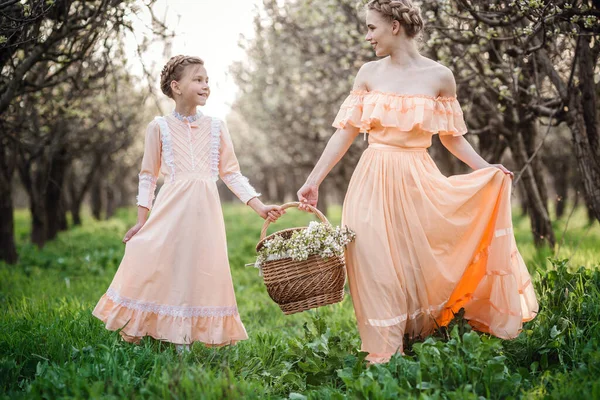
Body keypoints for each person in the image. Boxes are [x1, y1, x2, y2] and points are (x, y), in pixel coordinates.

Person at [297, 0, 538, 364]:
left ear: (395, 26)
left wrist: (485, 167)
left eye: (371, 28)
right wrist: (314, 180)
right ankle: (384, 347)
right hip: (372, 176)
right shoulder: (368, 73)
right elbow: (344, 133)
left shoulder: (439, 76)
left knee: (417, 261)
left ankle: (419, 333)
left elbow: (452, 136)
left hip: (417, 177)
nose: (367, 37)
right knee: (372, 259)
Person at [93, 55, 283, 351]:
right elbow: (147, 176)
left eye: (207, 80)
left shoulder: (217, 126)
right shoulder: (159, 127)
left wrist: (258, 206)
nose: (206, 85)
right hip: (170, 210)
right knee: (163, 264)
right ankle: (161, 329)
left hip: (205, 212)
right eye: (198, 79)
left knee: (200, 267)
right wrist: (142, 220)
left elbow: (230, 172)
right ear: (176, 86)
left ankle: (189, 335)